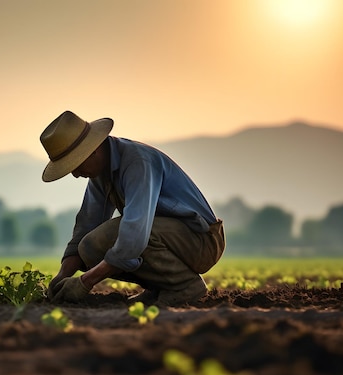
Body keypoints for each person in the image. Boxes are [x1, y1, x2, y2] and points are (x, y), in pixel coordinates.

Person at [40, 110, 225, 307]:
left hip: (202, 241)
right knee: (89, 247)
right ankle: (161, 286)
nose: (75, 174)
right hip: (168, 237)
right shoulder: (100, 173)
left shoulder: (137, 161)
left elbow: (136, 230)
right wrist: (61, 276)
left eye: (75, 165)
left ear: (91, 150)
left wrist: (85, 282)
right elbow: (86, 224)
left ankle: (185, 286)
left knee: (122, 233)